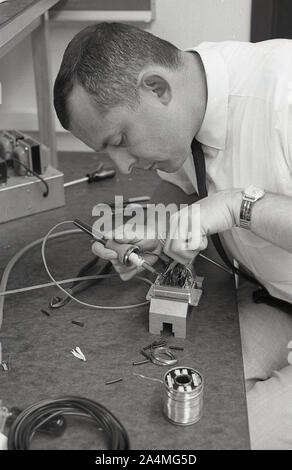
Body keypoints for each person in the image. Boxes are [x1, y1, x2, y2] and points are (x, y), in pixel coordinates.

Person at [53, 22, 292, 449]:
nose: (122, 167)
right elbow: (187, 189)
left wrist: (239, 205)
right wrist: (156, 225)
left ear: (157, 88)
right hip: (275, 298)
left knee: (226, 438)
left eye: (121, 140)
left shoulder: (283, 94)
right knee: (172, 402)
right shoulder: (190, 92)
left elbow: (224, 201)